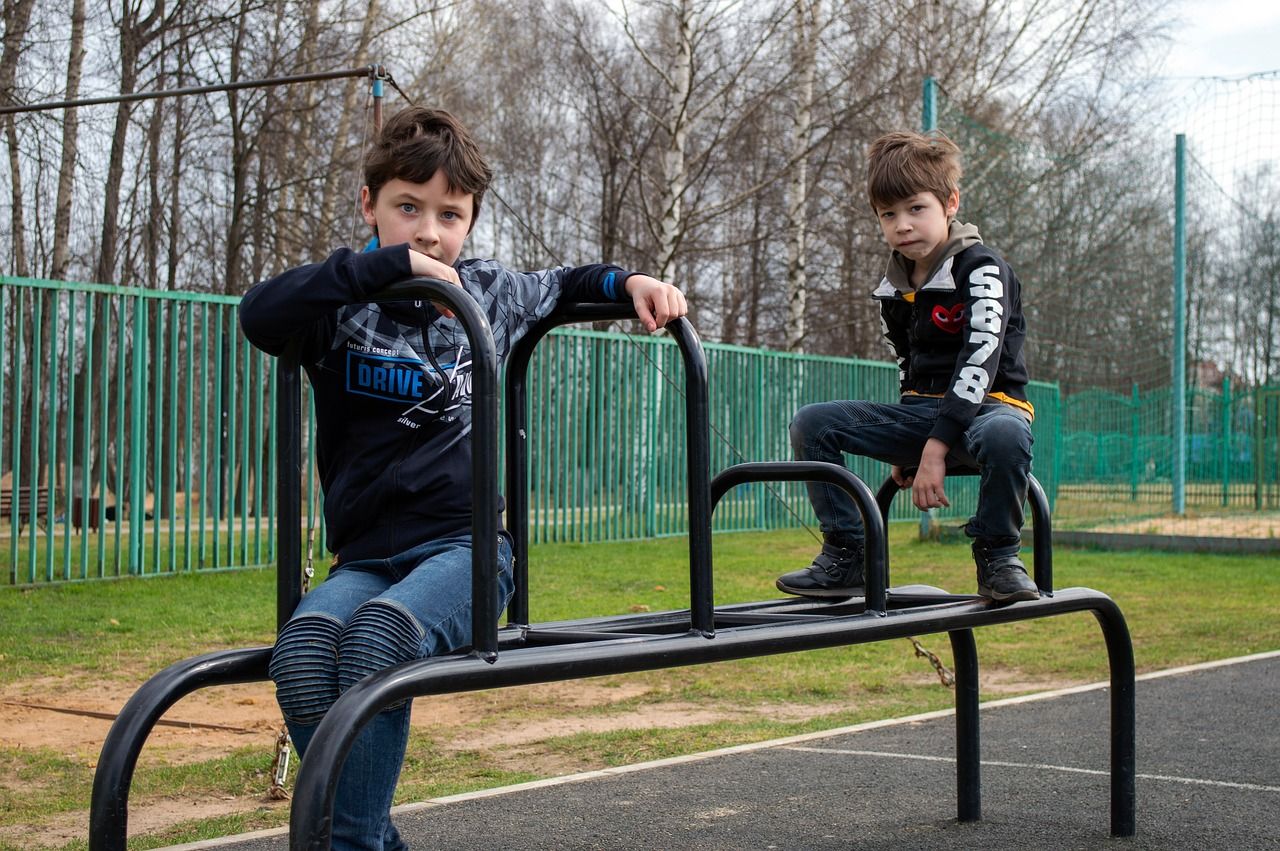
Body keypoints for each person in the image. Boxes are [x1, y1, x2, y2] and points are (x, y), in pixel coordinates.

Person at [239, 106, 686, 851]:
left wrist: (632, 279)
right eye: (406, 208)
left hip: (467, 552)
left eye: (450, 215)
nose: (428, 231)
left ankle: (350, 843)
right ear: (369, 205)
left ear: (471, 220)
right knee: (304, 651)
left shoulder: (486, 292)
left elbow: (565, 283)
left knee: (376, 641)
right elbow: (259, 314)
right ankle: (369, 841)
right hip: (367, 558)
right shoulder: (340, 303)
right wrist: (382, 269)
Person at [776, 130, 1038, 604]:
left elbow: (979, 358)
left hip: (988, 409)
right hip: (925, 415)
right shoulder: (893, 286)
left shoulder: (981, 269)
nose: (902, 225)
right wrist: (907, 449)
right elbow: (909, 366)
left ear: (950, 203)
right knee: (812, 423)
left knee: (1007, 434)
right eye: (888, 214)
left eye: (916, 209)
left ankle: (999, 556)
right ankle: (848, 553)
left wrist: (934, 450)